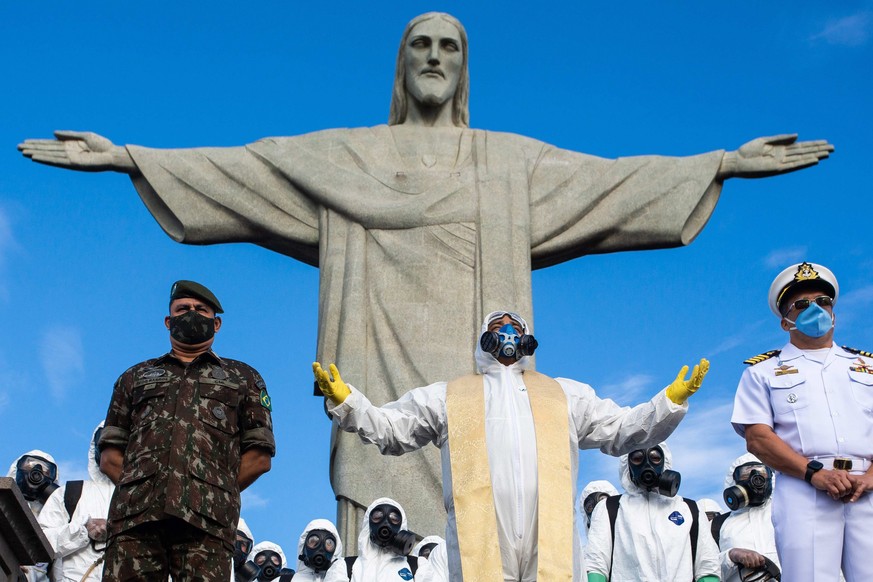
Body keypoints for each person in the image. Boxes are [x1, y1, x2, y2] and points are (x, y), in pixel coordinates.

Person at [19, 12, 833, 545]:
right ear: (400, 64)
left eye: (450, 47)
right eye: (420, 45)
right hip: (370, 356)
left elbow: (611, 182)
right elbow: (246, 170)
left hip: (486, 372)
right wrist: (132, 157)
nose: (434, 58)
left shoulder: (506, 162)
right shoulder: (344, 157)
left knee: (488, 509)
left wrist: (719, 163)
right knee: (377, 510)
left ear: (464, 67)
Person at [314, 310, 709, 581]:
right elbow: (392, 428)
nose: (508, 334)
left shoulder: (563, 394)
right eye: (499, 327)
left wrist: (668, 403)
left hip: (549, 537)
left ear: (527, 340)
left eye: (515, 328)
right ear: (485, 338)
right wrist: (349, 402)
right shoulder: (450, 395)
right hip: (480, 537)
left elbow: (622, 430)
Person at [97, 280, 275, 581]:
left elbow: (259, 456)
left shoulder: (243, 378)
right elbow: (111, 453)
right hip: (135, 522)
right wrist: (142, 492)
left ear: (216, 324)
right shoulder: (134, 377)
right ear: (168, 321)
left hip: (208, 525)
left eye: (200, 310)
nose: (191, 314)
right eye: (183, 309)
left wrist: (213, 494)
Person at [731, 261, 873, 582]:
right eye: (802, 305)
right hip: (805, 490)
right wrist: (815, 474)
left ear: (834, 311)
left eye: (823, 302)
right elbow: (758, 438)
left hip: (869, 487)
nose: (816, 309)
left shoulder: (867, 366)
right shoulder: (762, 372)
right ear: (785, 322)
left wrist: (871, 477)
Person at [585, 442, 720, 582]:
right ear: (627, 466)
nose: (647, 465)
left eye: (655, 458)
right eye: (637, 459)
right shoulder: (610, 509)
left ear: (664, 462)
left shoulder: (689, 509)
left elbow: (707, 566)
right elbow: (596, 564)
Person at [38, 422, 114, 582]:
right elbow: (39, 544)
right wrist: (81, 530)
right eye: (106, 442)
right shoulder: (70, 493)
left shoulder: (148, 499)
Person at [713, 453, 780, 582]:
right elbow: (705, 568)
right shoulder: (718, 525)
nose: (755, 478)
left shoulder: (786, 514)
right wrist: (731, 556)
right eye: (745, 474)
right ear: (733, 481)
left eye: (762, 472)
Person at [8, 449, 61, 582]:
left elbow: (59, 573)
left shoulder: (55, 524)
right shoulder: (4, 507)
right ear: (17, 470)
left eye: (46, 471)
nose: (36, 472)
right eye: (29, 466)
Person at [348, 498, 417, 582]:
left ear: (401, 526)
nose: (385, 523)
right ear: (368, 525)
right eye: (377, 517)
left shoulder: (417, 566)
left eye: (394, 519)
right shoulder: (345, 567)